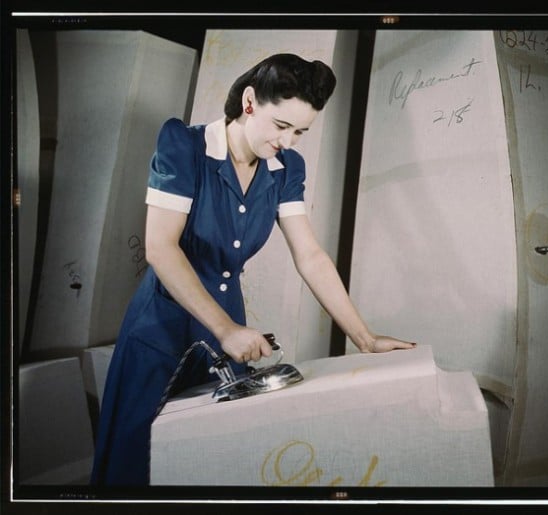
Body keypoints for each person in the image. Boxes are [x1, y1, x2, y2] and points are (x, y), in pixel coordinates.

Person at [91, 53, 416, 486]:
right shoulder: (184, 146)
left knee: (211, 461)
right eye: (282, 126)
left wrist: (366, 338)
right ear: (249, 103)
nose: (290, 141)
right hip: (160, 331)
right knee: (135, 467)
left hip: (227, 328)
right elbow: (161, 248)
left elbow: (310, 256)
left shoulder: (286, 169)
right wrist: (226, 330)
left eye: (301, 131)